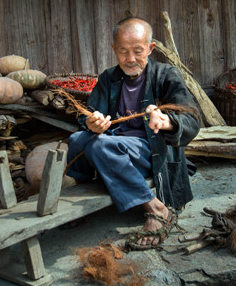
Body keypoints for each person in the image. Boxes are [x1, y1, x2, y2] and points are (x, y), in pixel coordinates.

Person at [65, 17, 200, 250]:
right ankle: (82, 200)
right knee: (77, 139)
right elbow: (87, 115)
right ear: (113, 50)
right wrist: (92, 122)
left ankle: (156, 208)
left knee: (101, 146)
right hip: (116, 150)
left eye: (138, 51)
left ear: (150, 48)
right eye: (123, 51)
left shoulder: (166, 75)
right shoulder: (109, 78)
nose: (130, 59)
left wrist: (167, 121)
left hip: (152, 152)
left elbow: (192, 120)